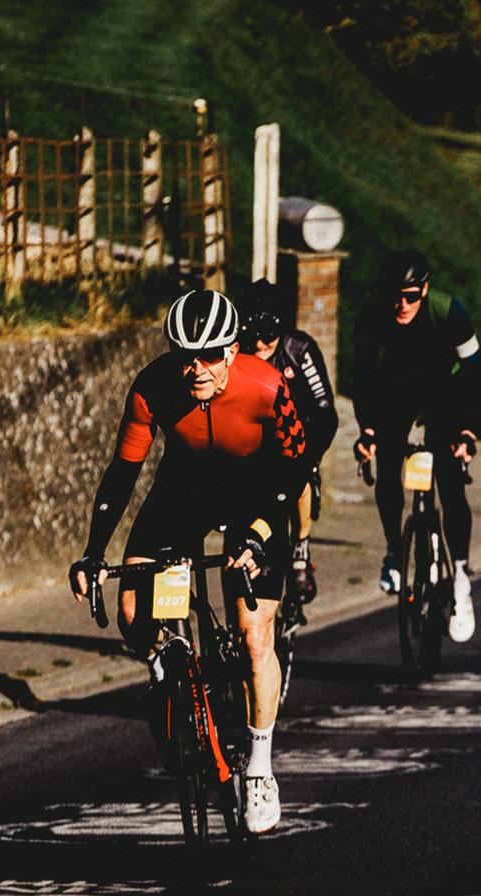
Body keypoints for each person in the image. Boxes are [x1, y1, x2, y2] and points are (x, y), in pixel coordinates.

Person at [69, 289, 308, 835]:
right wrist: (93, 551)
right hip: (184, 489)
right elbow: (122, 474)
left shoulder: (267, 385)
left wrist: (260, 532)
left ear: (231, 350)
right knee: (132, 610)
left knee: (253, 636)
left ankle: (261, 768)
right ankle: (170, 670)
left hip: (256, 491)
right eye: (185, 356)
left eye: (209, 356)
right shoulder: (153, 388)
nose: (195, 369)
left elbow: (294, 467)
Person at [352, 249, 481, 642]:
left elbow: (476, 376)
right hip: (398, 391)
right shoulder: (373, 317)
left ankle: (461, 576)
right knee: (389, 464)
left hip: (446, 391)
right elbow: (363, 380)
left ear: (425, 290)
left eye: (411, 295)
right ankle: (395, 550)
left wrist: (468, 432)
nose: (403, 304)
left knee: (450, 480)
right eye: (396, 294)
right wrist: (369, 430)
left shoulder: (447, 311)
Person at [236, 280, 339, 605]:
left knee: (300, 477)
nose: (261, 344)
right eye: (253, 336)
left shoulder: (300, 350)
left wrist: (309, 456)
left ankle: (301, 549)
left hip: (299, 437)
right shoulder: (239, 351)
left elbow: (325, 410)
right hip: (256, 440)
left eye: (270, 336)